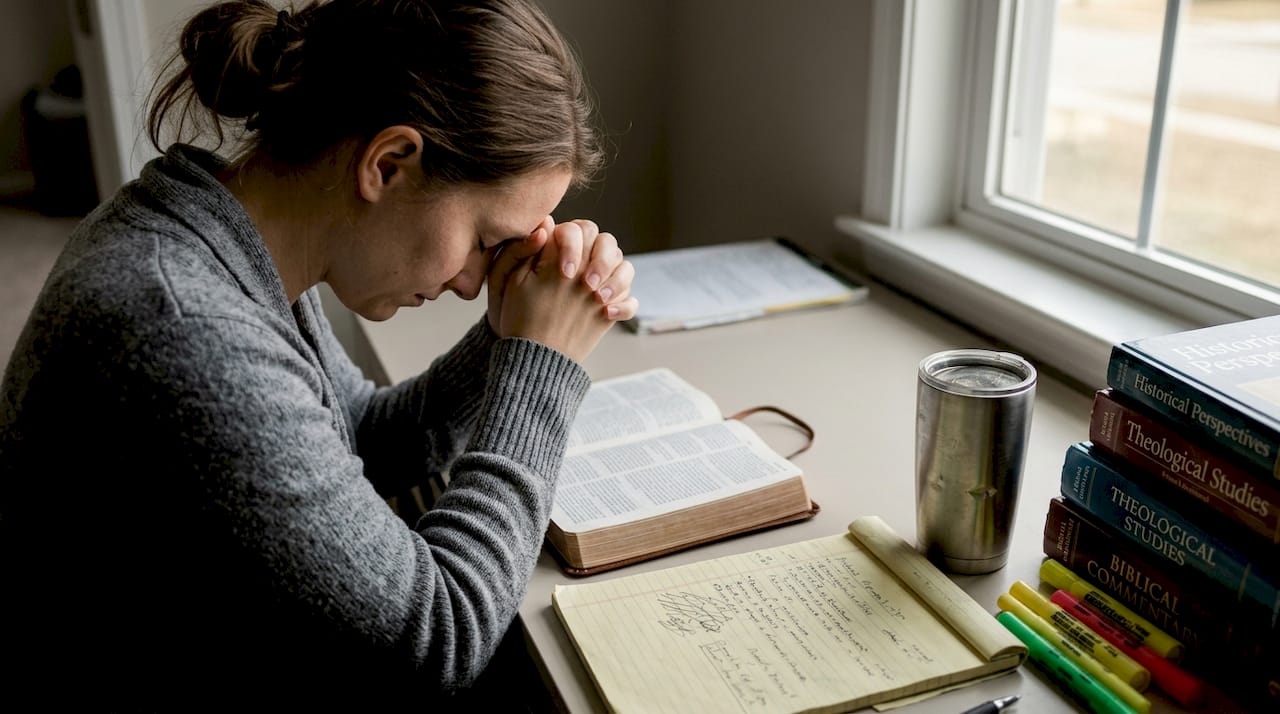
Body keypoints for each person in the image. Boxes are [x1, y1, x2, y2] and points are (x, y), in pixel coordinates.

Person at [0, 0, 637, 707]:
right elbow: (441, 637)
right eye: (488, 241)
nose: (471, 281)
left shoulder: (233, 233)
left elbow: (362, 432)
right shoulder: (182, 328)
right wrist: (539, 365)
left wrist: (506, 332)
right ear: (389, 163)